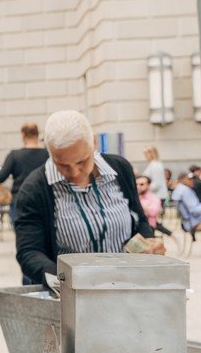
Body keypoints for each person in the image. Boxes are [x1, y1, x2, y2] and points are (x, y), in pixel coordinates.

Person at [14, 110, 165, 285]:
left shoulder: (120, 169)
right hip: (73, 296)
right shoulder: (35, 189)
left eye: (81, 161)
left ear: (93, 142)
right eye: (62, 165)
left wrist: (148, 243)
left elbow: (140, 222)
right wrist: (66, 280)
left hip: (127, 286)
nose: (74, 172)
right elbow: (29, 252)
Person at [0, 122, 50, 221]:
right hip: (42, 199)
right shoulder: (47, 155)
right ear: (37, 134)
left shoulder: (14, 155)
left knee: (22, 232)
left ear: (23, 134)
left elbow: (0, 177)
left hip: (20, 199)